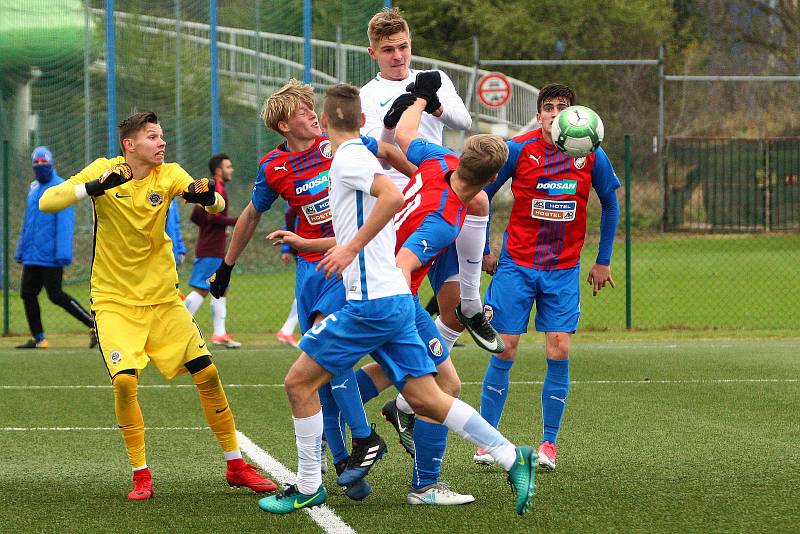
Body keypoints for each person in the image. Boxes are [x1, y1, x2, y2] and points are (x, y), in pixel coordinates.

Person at [257, 83, 535, 516]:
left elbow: (391, 200)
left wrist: (348, 251)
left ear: (327, 122)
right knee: (431, 395)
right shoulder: (403, 163)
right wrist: (312, 242)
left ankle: (313, 482)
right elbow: (384, 199)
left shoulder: (359, 163)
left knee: (299, 382)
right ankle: (508, 454)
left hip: (373, 304)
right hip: (393, 303)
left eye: (317, 113)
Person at [39, 111, 276, 500]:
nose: (161, 142)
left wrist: (207, 196)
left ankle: (236, 465)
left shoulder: (170, 173)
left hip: (164, 300)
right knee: (125, 383)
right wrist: (96, 186)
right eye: (152, 137)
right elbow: (49, 201)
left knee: (209, 375)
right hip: (114, 301)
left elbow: (215, 204)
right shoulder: (105, 169)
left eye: (162, 135)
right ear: (130, 145)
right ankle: (141, 474)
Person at [208, 79, 413, 501]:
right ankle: (342, 459)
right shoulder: (274, 168)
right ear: (285, 125)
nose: (313, 117)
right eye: (303, 112)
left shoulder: (338, 149)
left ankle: (362, 438)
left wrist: (420, 183)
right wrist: (226, 267)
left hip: (346, 262)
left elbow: (388, 153)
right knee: (319, 371)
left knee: (325, 347)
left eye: (312, 110)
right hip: (310, 269)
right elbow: (249, 215)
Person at [474, 84, 620, 471]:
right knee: (504, 349)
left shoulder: (592, 153)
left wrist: (602, 261)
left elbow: (611, 204)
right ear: (539, 115)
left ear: (577, 114)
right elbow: (482, 194)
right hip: (516, 266)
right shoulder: (519, 149)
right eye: (549, 107)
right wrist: (485, 248)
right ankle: (488, 440)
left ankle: (549, 444)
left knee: (559, 349)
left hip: (562, 269)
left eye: (563, 107)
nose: (555, 113)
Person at [360, 7, 503, 357]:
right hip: (402, 203)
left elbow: (463, 120)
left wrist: (432, 103)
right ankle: (417, 370)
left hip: (437, 187)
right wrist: (392, 125)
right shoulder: (367, 94)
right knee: (398, 297)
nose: (398, 56)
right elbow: (380, 151)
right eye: (388, 50)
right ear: (373, 53)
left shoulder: (433, 77)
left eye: (403, 47)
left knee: (452, 314)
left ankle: (467, 310)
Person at [14, 146, 96, 349]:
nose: (40, 167)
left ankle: (94, 326)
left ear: (51, 164)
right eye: (37, 163)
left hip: (51, 256)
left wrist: (62, 253)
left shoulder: (60, 186)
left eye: (44, 163)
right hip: (32, 256)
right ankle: (39, 338)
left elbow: (65, 223)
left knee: (56, 295)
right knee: (27, 294)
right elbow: (27, 222)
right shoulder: (33, 189)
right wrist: (21, 249)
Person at [183, 154, 241, 348]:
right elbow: (212, 218)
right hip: (209, 249)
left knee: (221, 288)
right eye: (228, 166)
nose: (231, 170)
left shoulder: (213, 190)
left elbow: (197, 216)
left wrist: (211, 229)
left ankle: (219, 334)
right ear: (218, 170)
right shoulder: (217, 190)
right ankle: (177, 327)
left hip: (214, 247)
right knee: (202, 288)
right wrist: (236, 222)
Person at [276, 205, 299, 348]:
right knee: (312, 291)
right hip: (308, 247)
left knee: (312, 291)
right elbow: (290, 214)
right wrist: (286, 248)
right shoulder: (311, 186)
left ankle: (287, 330)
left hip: (317, 245)